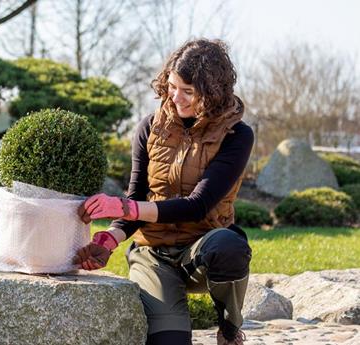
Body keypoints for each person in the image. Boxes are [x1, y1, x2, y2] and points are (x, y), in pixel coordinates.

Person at [74, 38, 254, 345]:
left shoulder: (237, 135)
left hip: (203, 246)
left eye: (188, 92)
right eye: (172, 86)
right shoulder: (148, 127)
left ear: (211, 93)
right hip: (153, 254)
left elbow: (198, 205)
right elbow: (137, 197)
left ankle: (228, 328)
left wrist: (123, 208)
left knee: (230, 246)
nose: (176, 97)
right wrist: (109, 240)